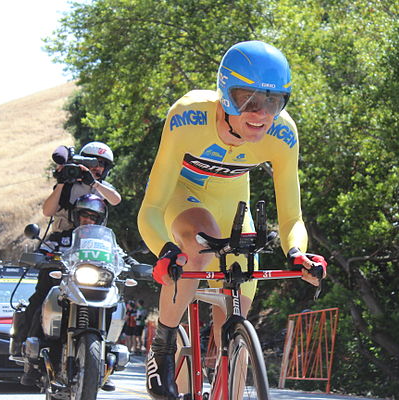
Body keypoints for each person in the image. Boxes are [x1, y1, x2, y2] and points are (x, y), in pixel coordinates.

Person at [137, 40, 328, 400]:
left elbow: (292, 217)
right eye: (248, 100)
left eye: (273, 101)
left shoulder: (283, 134)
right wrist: (165, 251)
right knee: (202, 244)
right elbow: (151, 207)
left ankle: (229, 377)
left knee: (243, 284)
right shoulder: (188, 116)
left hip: (231, 201)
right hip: (183, 194)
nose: (260, 113)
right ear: (225, 95)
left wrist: (298, 253)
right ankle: (162, 347)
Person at [19, 194, 131, 391]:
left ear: (99, 220)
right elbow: (42, 250)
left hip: (96, 287)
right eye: (83, 215)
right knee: (39, 305)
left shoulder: (107, 243)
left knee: (115, 304)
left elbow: (122, 257)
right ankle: (31, 362)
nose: (87, 220)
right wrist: (40, 257)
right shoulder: (60, 237)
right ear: (76, 216)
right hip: (65, 285)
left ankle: (104, 363)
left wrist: (135, 265)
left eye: (92, 217)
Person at [43, 141, 121, 232]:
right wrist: (61, 183)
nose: (96, 167)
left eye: (101, 164)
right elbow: (47, 212)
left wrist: (94, 183)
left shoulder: (104, 188)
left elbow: (116, 200)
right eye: (92, 162)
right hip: (61, 241)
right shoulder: (69, 186)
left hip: (91, 241)